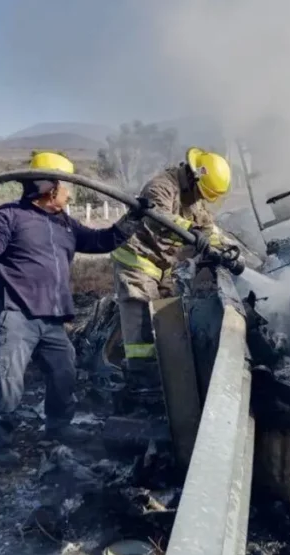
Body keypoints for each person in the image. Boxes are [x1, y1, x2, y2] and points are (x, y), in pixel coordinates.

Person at [0, 151, 147, 466]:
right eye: (67, 185)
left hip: (52, 317)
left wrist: (134, 218)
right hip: (14, 312)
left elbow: (103, 241)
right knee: (7, 382)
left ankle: (58, 427)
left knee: (64, 373)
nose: (71, 192)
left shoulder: (64, 224)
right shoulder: (9, 215)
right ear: (48, 186)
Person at [110, 147, 234, 402]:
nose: (201, 198)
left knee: (168, 317)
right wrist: (193, 231)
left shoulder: (193, 196)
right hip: (137, 260)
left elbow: (208, 227)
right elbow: (159, 218)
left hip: (163, 265)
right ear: (194, 176)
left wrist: (227, 248)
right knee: (143, 319)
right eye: (201, 192)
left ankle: (164, 375)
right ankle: (141, 385)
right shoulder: (161, 187)